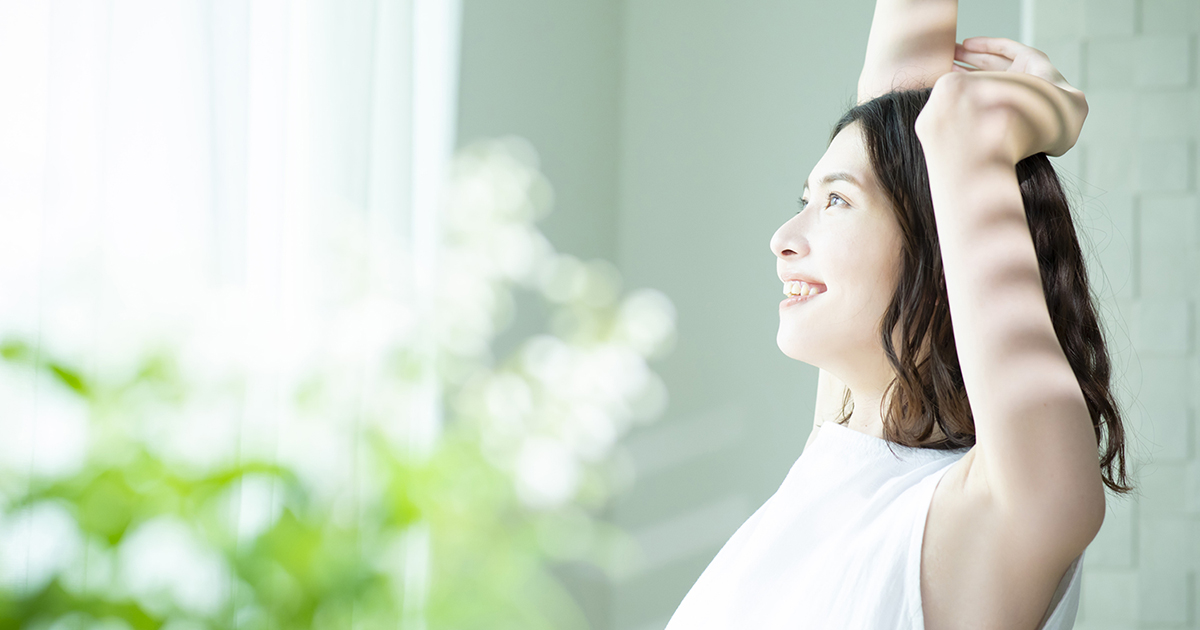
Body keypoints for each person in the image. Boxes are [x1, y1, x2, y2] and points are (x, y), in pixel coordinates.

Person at [662, 1, 1133, 628]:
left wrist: (1055, 109)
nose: (782, 237)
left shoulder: (1012, 510)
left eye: (835, 200)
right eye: (807, 198)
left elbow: (958, 120)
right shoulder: (847, 447)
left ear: (941, 253)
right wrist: (1049, 106)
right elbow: (903, 78)